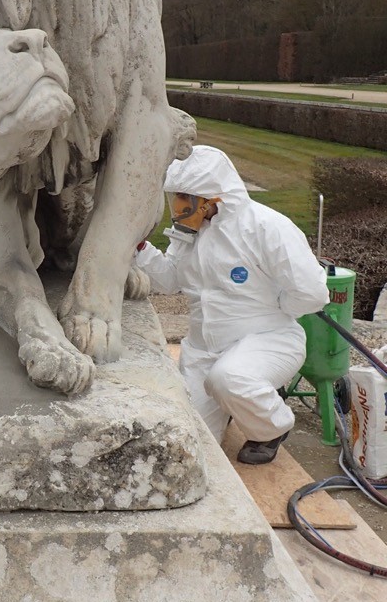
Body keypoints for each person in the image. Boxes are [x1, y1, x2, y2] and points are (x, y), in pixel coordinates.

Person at [135, 146, 329, 464]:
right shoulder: (189, 235)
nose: (179, 206)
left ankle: (271, 428)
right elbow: (171, 280)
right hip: (202, 352)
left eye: (187, 197)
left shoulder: (265, 228)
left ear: (214, 196)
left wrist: (277, 307)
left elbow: (312, 291)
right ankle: (231, 405)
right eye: (176, 196)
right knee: (190, 448)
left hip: (269, 340)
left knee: (230, 378)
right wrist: (141, 250)